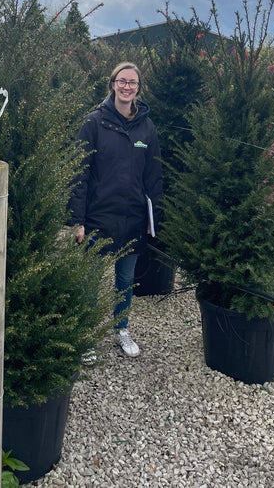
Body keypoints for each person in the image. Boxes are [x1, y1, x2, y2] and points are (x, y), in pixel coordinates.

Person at [67, 61, 163, 357]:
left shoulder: (146, 127)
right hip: (99, 217)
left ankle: (121, 328)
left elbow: (154, 176)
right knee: (91, 279)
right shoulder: (93, 123)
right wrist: (76, 220)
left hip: (133, 217)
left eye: (132, 83)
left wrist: (152, 218)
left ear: (138, 88)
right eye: (122, 81)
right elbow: (78, 172)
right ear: (112, 85)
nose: (126, 87)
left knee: (125, 278)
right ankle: (86, 336)